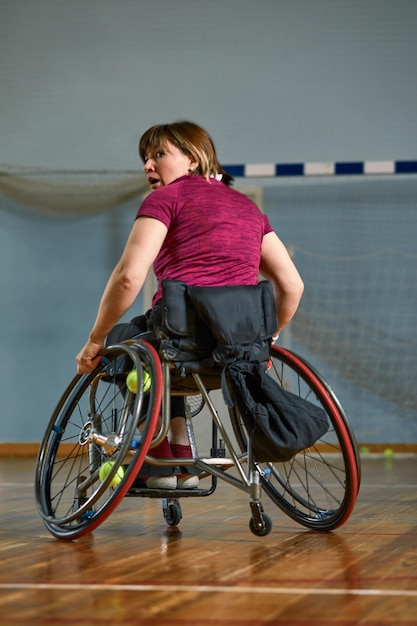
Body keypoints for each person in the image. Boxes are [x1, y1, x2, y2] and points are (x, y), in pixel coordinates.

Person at [76, 120, 304, 489]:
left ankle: (163, 454)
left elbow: (128, 278)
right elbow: (292, 285)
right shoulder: (248, 209)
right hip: (237, 349)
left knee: (128, 340)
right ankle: (176, 452)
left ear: (193, 159)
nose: (148, 166)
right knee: (158, 348)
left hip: (181, 340)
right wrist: (267, 338)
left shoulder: (166, 199)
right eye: (145, 159)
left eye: (159, 155)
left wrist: (94, 338)